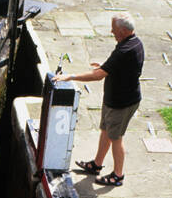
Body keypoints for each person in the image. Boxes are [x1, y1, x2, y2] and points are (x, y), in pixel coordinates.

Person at [60, 12, 143, 187]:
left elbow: (98, 76)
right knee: (105, 130)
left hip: (121, 103)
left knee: (116, 137)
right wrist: (105, 66)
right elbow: (118, 67)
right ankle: (96, 164)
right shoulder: (134, 43)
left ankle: (118, 175)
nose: (111, 32)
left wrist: (71, 77)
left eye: (113, 30)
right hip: (114, 99)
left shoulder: (124, 49)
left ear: (121, 30)